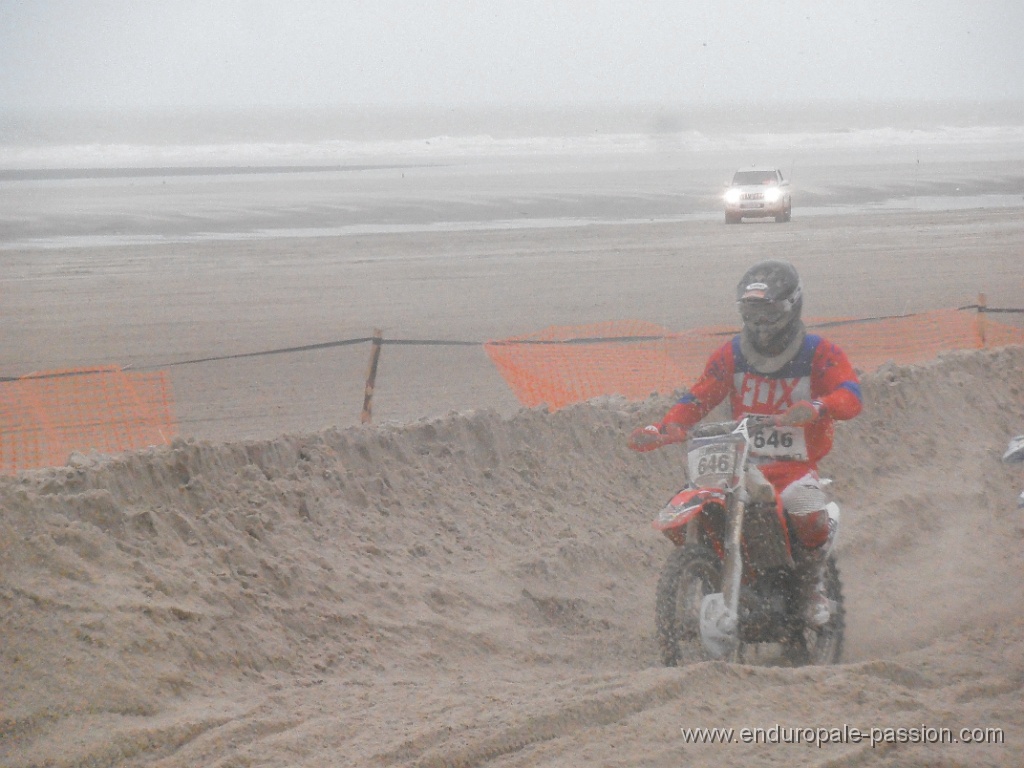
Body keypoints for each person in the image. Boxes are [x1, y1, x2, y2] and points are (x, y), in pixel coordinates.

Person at [628, 259, 863, 627]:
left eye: (768, 311)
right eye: (751, 312)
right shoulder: (731, 354)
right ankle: (712, 572)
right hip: (738, 462)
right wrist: (667, 428)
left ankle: (813, 584)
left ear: (791, 306)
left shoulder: (820, 352)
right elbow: (699, 397)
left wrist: (819, 407)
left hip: (794, 467)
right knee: (696, 507)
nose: (760, 322)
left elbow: (850, 394)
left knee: (804, 508)